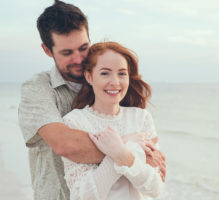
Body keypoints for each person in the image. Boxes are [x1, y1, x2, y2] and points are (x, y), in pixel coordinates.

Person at [18, 1, 166, 199]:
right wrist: (128, 146)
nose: (79, 59)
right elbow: (65, 145)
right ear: (47, 50)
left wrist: (133, 154)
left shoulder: (114, 91)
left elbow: (154, 181)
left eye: (83, 47)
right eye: (67, 52)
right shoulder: (37, 88)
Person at [62, 41, 164, 199]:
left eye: (122, 73)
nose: (115, 82)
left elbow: (155, 189)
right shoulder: (74, 122)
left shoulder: (141, 118)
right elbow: (82, 196)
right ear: (89, 76)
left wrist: (123, 154)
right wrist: (123, 147)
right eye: (105, 73)